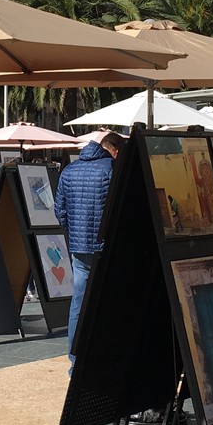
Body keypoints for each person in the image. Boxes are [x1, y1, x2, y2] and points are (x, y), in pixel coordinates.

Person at [54, 130, 125, 368]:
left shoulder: (69, 171)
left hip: (79, 247)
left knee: (79, 303)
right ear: (113, 150)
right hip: (105, 247)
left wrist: (73, 232)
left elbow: (60, 211)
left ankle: (75, 360)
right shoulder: (111, 170)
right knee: (110, 302)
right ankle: (106, 358)